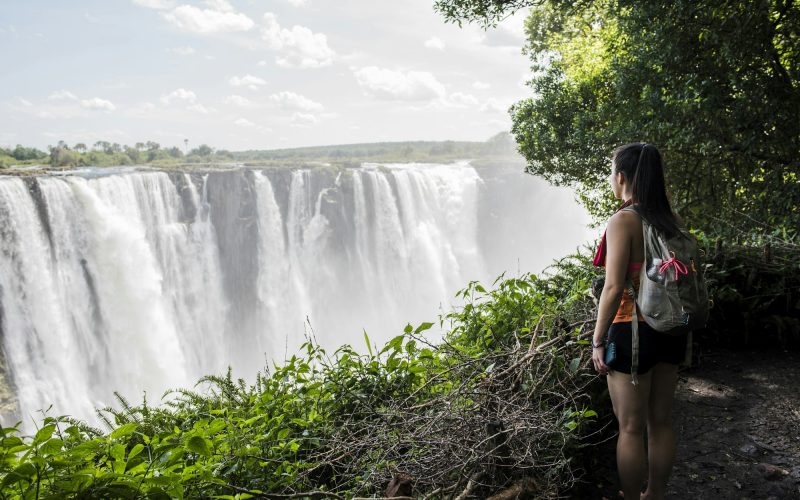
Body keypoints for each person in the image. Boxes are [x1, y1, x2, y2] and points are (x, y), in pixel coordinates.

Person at [591, 142, 689, 500]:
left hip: (632, 330)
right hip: (671, 328)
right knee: (660, 422)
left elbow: (614, 285)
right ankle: (656, 494)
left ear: (622, 176)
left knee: (630, 428)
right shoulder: (670, 219)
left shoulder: (624, 220)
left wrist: (597, 340)